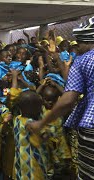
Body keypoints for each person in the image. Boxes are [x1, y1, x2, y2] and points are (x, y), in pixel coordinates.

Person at [27, 16, 94, 179]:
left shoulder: (83, 61)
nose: (77, 48)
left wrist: (41, 123)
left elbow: (68, 99)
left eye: (79, 43)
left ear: (86, 40)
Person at [14, 90, 50, 180]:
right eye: (39, 106)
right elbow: (46, 137)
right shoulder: (33, 124)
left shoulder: (17, 119)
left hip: (20, 161)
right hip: (34, 163)